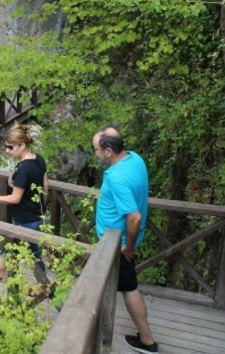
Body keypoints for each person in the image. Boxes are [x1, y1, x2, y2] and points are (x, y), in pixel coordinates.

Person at [92, 126, 158, 353]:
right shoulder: (134, 159)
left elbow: (134, 217)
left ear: (108, 151)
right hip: (113, 244)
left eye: (96, 150)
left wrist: (127, 247)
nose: (95, 153)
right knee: (106, 283)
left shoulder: (117, 177)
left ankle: (147, 341)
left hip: (116, 248)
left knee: (129, 288)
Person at [0, 124, 49, 277]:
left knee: (34, 254)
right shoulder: (39, 159)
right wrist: (42, 206)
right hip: (36, 213)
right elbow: (45, 185)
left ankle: (43, 284)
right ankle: (1, 269)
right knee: (11, 243)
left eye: (10, 147)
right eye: (6, 147)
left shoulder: (24, 169)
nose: (7, 151)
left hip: (26, 218)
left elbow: (15, 198)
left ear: (22, 145)